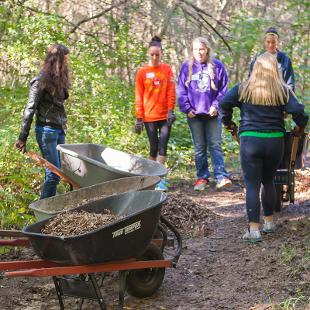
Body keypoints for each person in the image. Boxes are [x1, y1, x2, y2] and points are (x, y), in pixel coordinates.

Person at [219, 52, 308, 243]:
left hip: (250, 141)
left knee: (252, 185)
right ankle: (268, 223)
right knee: (269, 181)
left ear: (255, 68)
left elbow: (223, 104)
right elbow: (300, 112)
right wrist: (299, 128)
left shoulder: (243, 88)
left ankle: (253, 230)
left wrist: (228, 123)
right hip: (275, 142)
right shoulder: (283, 91)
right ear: (275, 69)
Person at [15, 44, 71, 199]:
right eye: (65, 59)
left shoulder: (59, 81)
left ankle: (49, 209)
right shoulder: (39, 81)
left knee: (56, 173)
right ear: (57, 60)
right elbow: (30, 109)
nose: (67, 62)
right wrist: (22, 137)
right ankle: (43, 211)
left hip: (59, 130)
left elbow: (60, 104)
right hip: (46, 131)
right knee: (54, 175)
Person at [177, 37, 232, 191]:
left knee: (215, 144)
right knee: (199, 147)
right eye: (196, 49)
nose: (199, 52)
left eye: (201, 49)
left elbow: (223, 89)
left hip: (212, 114)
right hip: (194, 115)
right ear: (192, 51)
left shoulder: (217, 66)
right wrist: (187, 109)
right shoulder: (186, 67)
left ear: (207, 49)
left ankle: (221, 176)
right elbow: (181, 90)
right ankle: (202, 177)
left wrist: (216, 105)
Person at [134, 36, 176, 191]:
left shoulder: (167, 69)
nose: (155, 57)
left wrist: (171, 110)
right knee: (153, 148)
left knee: (163, 147)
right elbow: (138, 95)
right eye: (152, 54)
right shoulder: (142, 72)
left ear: (161, 54)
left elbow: (171, 91)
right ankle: (152, 178)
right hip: (149, 116)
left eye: (157, 54)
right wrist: (139, 118)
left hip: (165, 116)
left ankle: (159, 179)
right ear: (148, 53)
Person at [249, 27, 295, 91]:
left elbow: (290, 84)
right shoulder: (258, 59)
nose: (270, 45)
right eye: (268, 42)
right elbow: (250, 80)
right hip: (261, 95)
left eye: (273, 42)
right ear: (264, 42)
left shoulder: (285, 60)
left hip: (280, 96)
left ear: (277, 42)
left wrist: (288, 97)